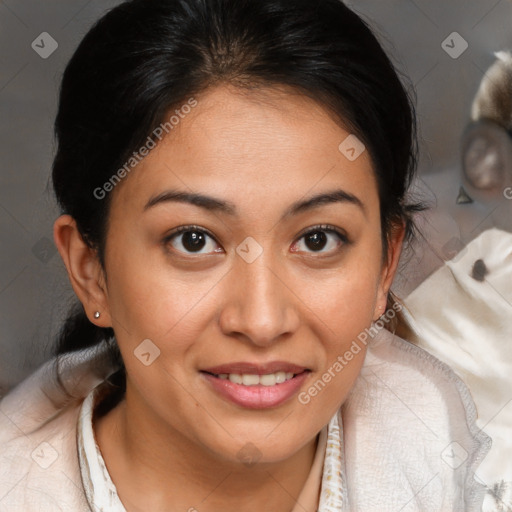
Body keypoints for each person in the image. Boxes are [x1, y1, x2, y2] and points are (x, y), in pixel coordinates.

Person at [0, 0, 490, 510]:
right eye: (193, 240)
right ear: (91, 272)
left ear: (385, 264)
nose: (261, 322)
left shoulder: (445, 454)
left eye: (318, 239)